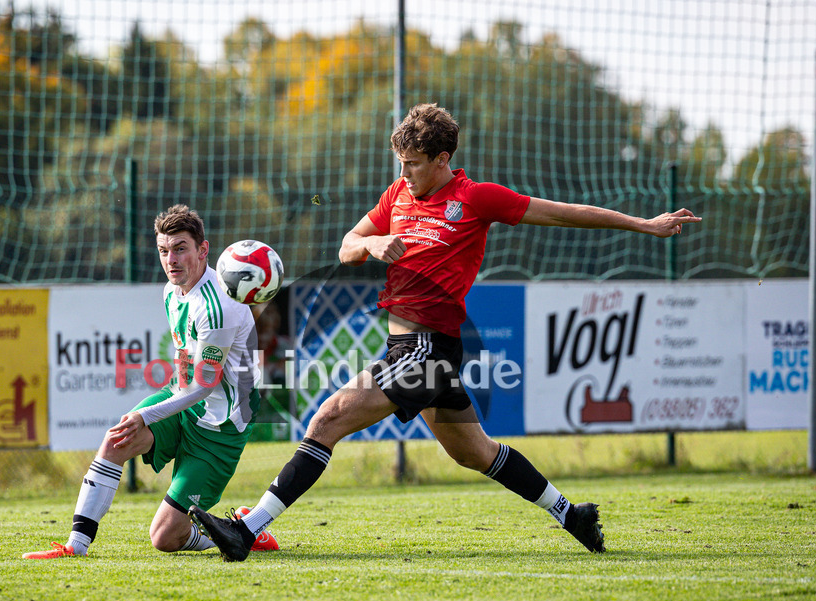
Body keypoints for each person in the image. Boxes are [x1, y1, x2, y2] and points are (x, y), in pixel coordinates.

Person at [190, 103, 702, 561]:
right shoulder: (398, 194)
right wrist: (373, 244)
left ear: (443, 158)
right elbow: (348, 243)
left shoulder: (476, 198)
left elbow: (563, 215)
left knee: (326, 420)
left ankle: (246, 531)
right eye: (401, 163)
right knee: (474, 452)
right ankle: (573, 515)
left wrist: (644, 224)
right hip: (408, 348)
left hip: (427, 349)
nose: (405, 173)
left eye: (414, 163)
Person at [23, 204, 278, 559]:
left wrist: (147, 415)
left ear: (203, 251)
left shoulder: (219, 306)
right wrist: (151, 411)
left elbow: (204, 386)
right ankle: (74, 546)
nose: (171, 259)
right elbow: (186, 370)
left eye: (180, 248)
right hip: (185, 401)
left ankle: (242, 531)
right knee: (117, 437)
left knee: (163, 538)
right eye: (163, 250)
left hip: (221, 426)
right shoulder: (170, 292)